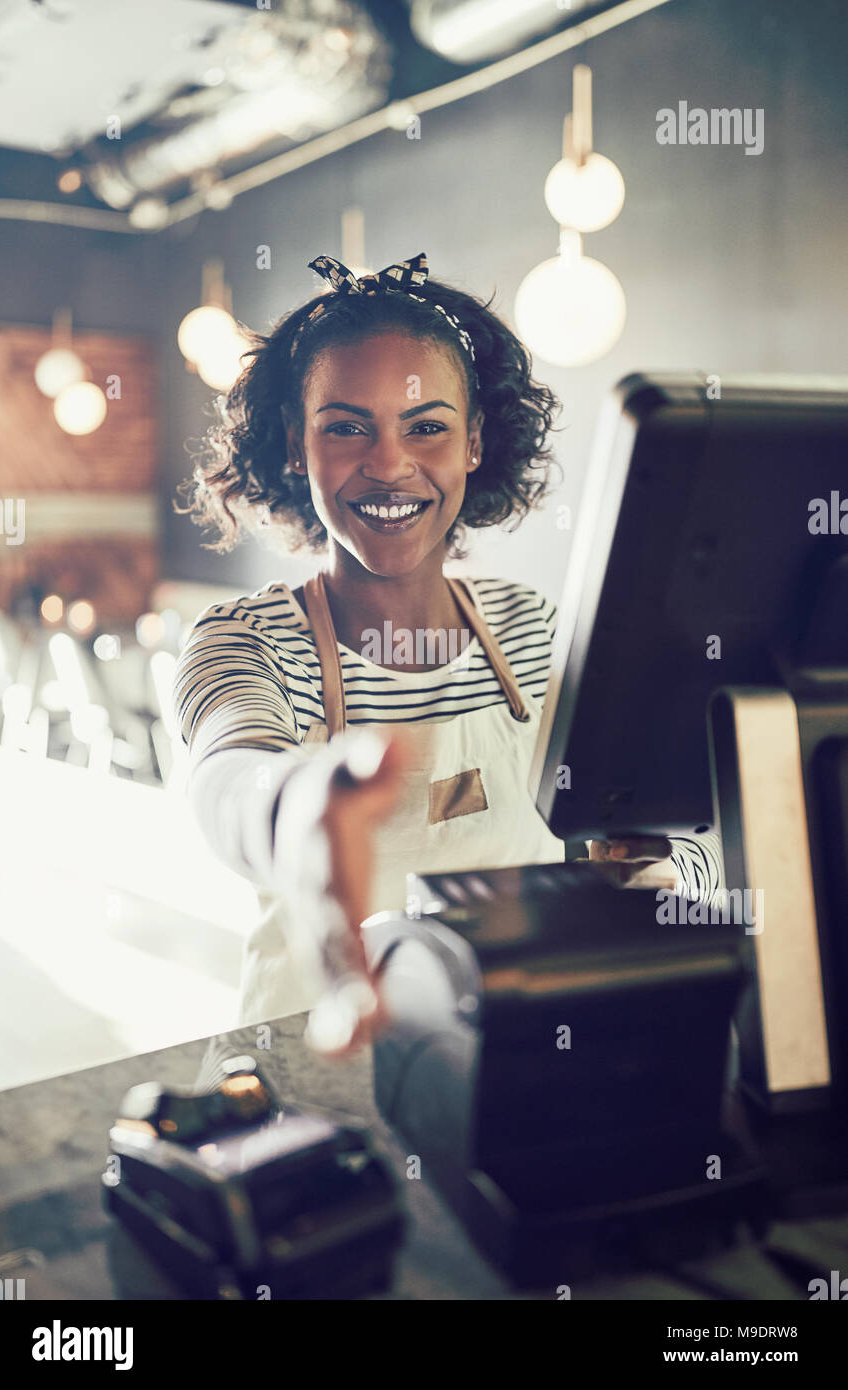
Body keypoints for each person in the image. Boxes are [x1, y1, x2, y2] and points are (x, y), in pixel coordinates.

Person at [172, 252, 722, 1053]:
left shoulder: (539, 633)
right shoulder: (244, 642)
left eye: (426, 426)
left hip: (514, 1056)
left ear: (473, 443)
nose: (389, 464)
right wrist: (292, 809)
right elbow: (228, 775)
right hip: (314, 1076)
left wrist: (645, 865)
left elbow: (657, 848)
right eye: (346, 427)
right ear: (298, 447)